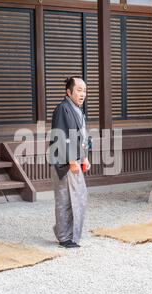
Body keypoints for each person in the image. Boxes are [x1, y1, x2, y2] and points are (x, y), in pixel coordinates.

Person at [49, 77, 90, 249]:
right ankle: (65, 237)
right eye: (79, 90)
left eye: (84, 90)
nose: (82, 94)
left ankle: (66, 233)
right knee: (65, 199)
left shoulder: (77, 110)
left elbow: (82, 135)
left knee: (78, 198)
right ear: (69, 92)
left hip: (75, 160)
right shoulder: (62, 109)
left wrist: (85, 157)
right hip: (65, 162)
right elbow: (61, 137)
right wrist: (73, 161)